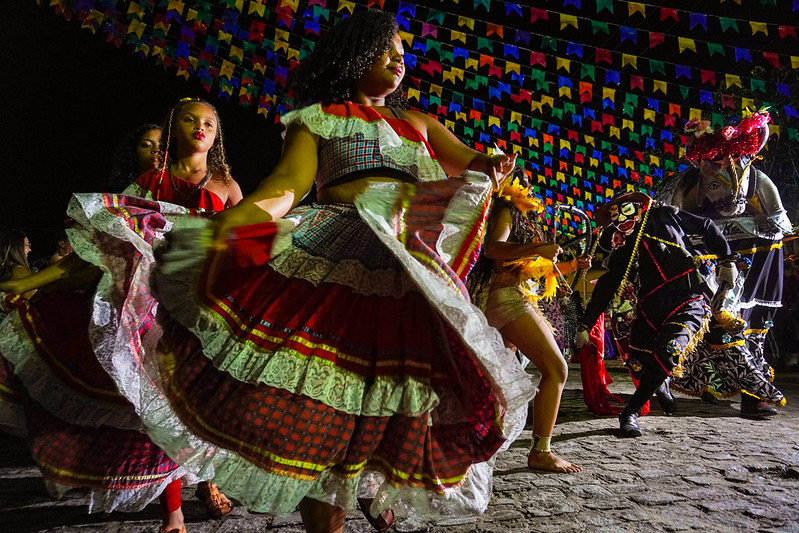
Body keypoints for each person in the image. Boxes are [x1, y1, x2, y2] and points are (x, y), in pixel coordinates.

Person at [115, 10, 533, 533]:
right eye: (386, 49)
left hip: (409, 268)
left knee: (398, 393)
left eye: (403, 53)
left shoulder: (421, 124)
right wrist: (231, 226)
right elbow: (285, 187)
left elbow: (469, 161)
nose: (399, 60)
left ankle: (377, 490)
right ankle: (326, 519)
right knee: (329, 400)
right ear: (351, 55)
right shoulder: (317, 119)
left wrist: (493, 163)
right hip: (336, 256)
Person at [0, 99, 242, 532]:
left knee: (203, 407)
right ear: (172, 129)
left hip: (205, 309)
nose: (200, 127)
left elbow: (249, 247)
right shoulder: (149, 181)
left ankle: (205, 481)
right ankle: (174, 514)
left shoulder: (228, 185)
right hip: (153, 309)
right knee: (157, 406)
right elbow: (102, 246)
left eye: (209, 122)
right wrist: (31, 283)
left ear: (217, 134)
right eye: (189, 120)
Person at [655, 110, 789, 417]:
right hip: (704, 264)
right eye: (713, 163)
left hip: (754, 264)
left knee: (748, 328)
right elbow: (668, 229)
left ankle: (752, 395)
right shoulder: (682, 187)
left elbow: (777, 227)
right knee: (703, 326)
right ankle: (709, 383)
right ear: (700, 162)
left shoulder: (759, 182)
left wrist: (738, 236)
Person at [575, 192, 738, 437]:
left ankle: (630, 411)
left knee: (671, 348)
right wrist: (585, 323)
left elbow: (706, 226)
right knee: (639, 362)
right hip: (650, 306)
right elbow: (608, 284)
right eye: (614, 216)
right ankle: (660, 383)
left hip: (688, 298)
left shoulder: (664, 215)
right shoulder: (624, 247)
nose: (622, 217)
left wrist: (727, 260)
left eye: (626, 209)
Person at [466, 172, 586, 473]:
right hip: (506, 297)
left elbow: (530, 269)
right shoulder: (507, 208)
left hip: (512, 294)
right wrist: (537, 248)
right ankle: (541, 451)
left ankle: (469, 441)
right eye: (525, 182)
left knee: (500, 378)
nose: (531, 189)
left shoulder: (519, 217)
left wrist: (569, 265)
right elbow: (494, 250)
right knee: (556, 369)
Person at [108, 123, 163, 191]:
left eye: (162, 145)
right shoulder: (117, 193)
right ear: (133, 152)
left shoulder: (177, 190)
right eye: (147, 145)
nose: (156, 150)